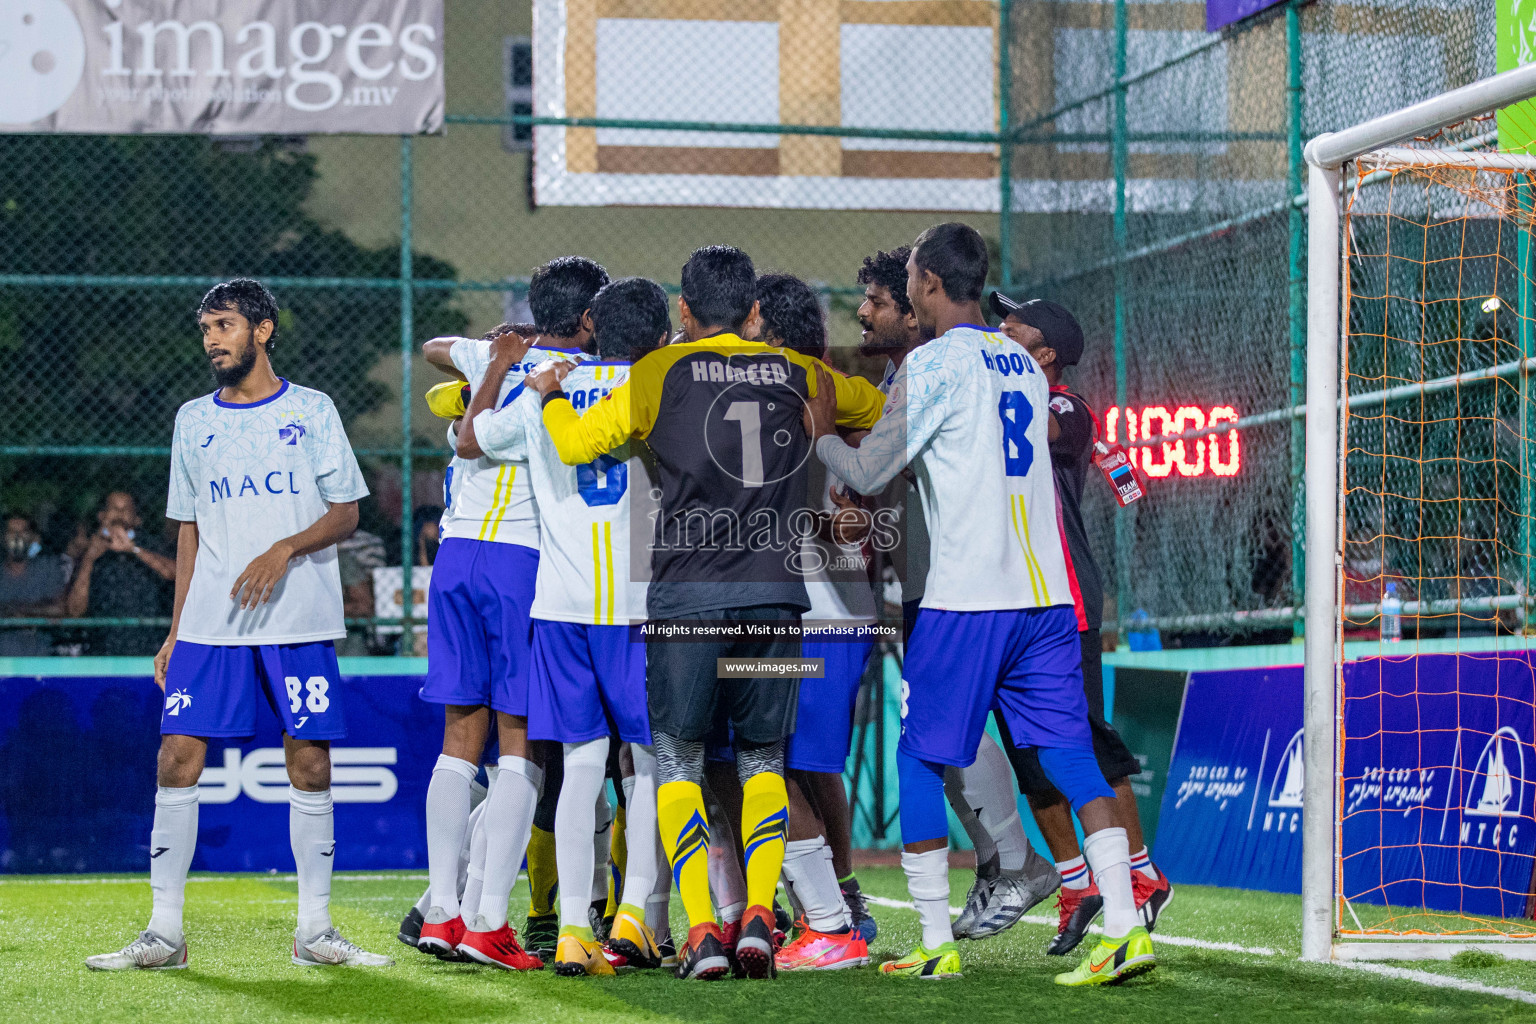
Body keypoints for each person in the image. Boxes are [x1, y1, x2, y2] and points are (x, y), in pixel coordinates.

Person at [803, 223, 1155, 986]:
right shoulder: (1023, 366)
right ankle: (1125, 928)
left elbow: (869, 470)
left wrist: (824, 435)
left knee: (919, 759)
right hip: (1047, 603)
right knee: (1068, 757)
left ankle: (935, 941)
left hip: (969, 600)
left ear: (926, 282)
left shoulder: (932, 363)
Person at [525, 245, 885, 981]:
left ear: (683, 312)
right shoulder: (802, 372)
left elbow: (575, 443)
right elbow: (880, 410)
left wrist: (551, 392)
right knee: (761, 758)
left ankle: (698, 931)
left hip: (687, 599)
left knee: (681, 758)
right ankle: (759, 916)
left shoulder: (658, 371)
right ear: (753, 311)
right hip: (777, 597)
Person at [87, 278, 389, 970]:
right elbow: (189, 529)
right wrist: (174, 629)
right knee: (176, 758)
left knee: (310, 763)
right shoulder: (194, 419)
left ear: (264, 329)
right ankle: (165, 933)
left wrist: (284, 548)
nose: (213, 340)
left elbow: (346, 512)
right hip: (210, 621)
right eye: (205, 329)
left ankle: (314, 932)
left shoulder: (313, 411)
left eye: (224, 325)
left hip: (297, 614)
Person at [412, 255, 609, 971]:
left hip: (456, 555)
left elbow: (434, 346)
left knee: (457, 737)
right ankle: (489, 919)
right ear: (592, 319)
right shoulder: (590, 375)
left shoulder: (498, 352)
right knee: (518, 742)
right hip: (523, 562)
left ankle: (442, 909)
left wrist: (497, 352)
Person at [860, 249, 1062, 940]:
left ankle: (1021, 865)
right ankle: (1006, 861)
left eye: (882, 301)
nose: (867, 312)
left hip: (968, 583)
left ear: (919, 302)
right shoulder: (927, 369)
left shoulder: (944, 366)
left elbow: (873, 474)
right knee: (961, 738)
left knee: (950, 738)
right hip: (968, 580)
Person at [472, 277, 670, 976]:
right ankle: (636, 917)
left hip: (559, 605)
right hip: (637, 608)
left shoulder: (545, 386)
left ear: (593, 324)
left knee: (581, 763)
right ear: (662, 335)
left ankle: (573, 930)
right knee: (646, 765)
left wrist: (515, 380)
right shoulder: (659, 388)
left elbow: (478, 440)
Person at [991, 293, 1174, 951]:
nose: (1000, 325)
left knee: (1087, 740)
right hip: (1006, 597)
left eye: (1016, 322)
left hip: (1064, 601)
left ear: (1045, 354)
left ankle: (1141, 875)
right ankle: (1078, 882)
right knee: (1027, 754)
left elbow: (1029, 427)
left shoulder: (1065, 406)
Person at [744, 273, 874, 972]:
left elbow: (849, 517)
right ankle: (840, 903)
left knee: (771, 760)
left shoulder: (794, 394)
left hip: (818, 616)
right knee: (807, 764)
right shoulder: (823, 392)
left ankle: (829, 919)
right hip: (824, 615)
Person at [65, 492, 177, 655]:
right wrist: (89, 558)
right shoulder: (88, 552)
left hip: (149, 646)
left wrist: (133, 549)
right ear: (101, 515)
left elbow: (174, 573)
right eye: (113, 508)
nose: (119, 513)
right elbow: (75, 610)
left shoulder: (152, 545)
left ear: (137, 519)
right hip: (103, 649)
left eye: (126, 509)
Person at [0, 515, 66, 656]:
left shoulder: (47, 568)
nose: (17, 537)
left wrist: (15, 612)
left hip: (39, 657)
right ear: (3, 538)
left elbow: (59, 610)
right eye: (12, 532)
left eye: (23, 532)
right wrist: (36, 611)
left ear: (33, 537)